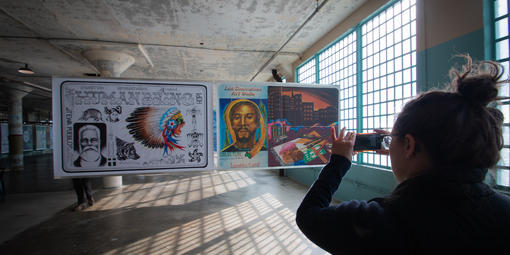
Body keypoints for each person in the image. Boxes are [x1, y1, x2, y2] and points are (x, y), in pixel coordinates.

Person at [296, 56, 510, 254]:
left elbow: (308, 215)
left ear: (410, 145)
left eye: (394, 139)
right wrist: (404, 147)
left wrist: (339, 162)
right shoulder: (504, 211)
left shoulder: (376, 221)